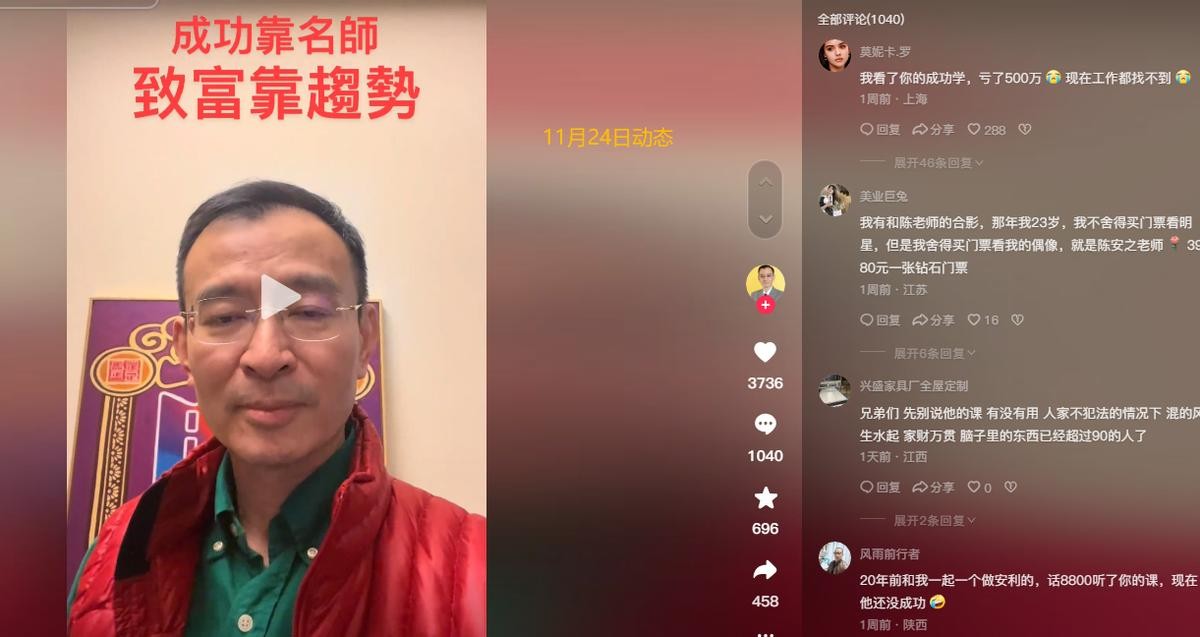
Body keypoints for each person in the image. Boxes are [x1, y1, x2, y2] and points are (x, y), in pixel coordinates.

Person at [67, 181, 486, 636]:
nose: (265, 357)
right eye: (225, 317)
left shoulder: (479, 576)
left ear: (365, 336)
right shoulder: (112, 559)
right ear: (183, 348)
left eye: (308, 312)